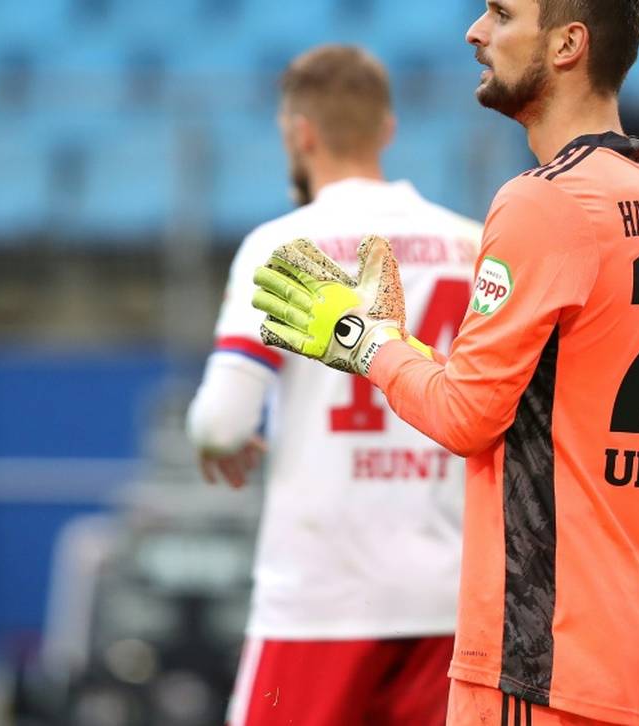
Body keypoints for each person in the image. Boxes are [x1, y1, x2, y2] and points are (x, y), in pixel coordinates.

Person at [252, 2, 639, 723]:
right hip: (624, 645)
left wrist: (363, 342)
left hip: (537, 652)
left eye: (501, 13)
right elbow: (537, 397)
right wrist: (402, 342)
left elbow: (467, 417)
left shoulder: (543, 202)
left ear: (567, 45)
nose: (475, 32)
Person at [186, 45, 481, 726]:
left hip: (320, 595)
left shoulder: (282, 245)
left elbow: (221, 424)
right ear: (389, 129)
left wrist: (213, 441)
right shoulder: (472, 243)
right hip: (450, 597)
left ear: (300, 132)